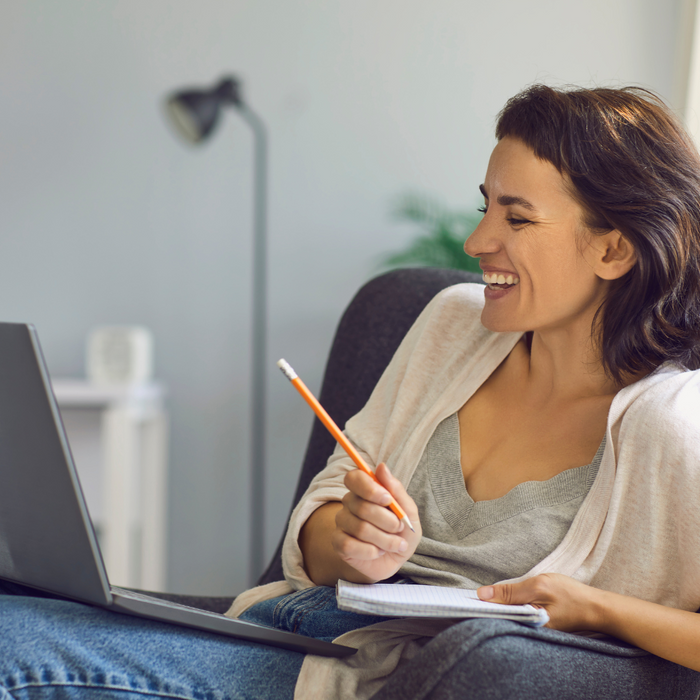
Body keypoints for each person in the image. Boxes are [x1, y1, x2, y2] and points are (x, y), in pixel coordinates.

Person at [2, 84, 700, 700]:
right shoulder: (453, 324)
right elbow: (320, 518)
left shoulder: (672, 430)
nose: (475, 239)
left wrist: (597, 610)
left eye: (516, 219)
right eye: (485, 207)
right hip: (283, 629)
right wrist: (353, 540)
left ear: (614, 250)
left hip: (366, 680)